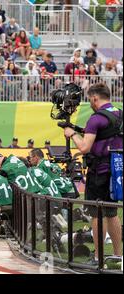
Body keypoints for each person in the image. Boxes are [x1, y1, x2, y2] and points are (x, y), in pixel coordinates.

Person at [63, 83, 122, 262]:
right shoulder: (119, 113)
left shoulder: (96, 118)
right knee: (112, 213)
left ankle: (98, 257)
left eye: (90, 99)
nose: (89, 102)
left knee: (97, 214)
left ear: (95, 98)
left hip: (99, 172)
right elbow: (105, 135)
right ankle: (118, 255)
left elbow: (84, 147)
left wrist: (72, 133)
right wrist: (81, 130)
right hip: (116, 169)